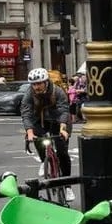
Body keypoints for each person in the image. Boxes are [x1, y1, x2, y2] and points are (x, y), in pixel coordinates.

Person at [21, 68, 74, 202]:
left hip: (59, 120)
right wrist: (29, 132)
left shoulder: (58, 91)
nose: (36, 87)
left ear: (46, 82)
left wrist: (63, 127)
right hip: (41, 120)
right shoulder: (29, 94)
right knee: (38, 138)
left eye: (39, 83)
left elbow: (63, 110)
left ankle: (67, 186)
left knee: (62, 152)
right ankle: (44, 159)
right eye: (33, 84)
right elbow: (26, 112)